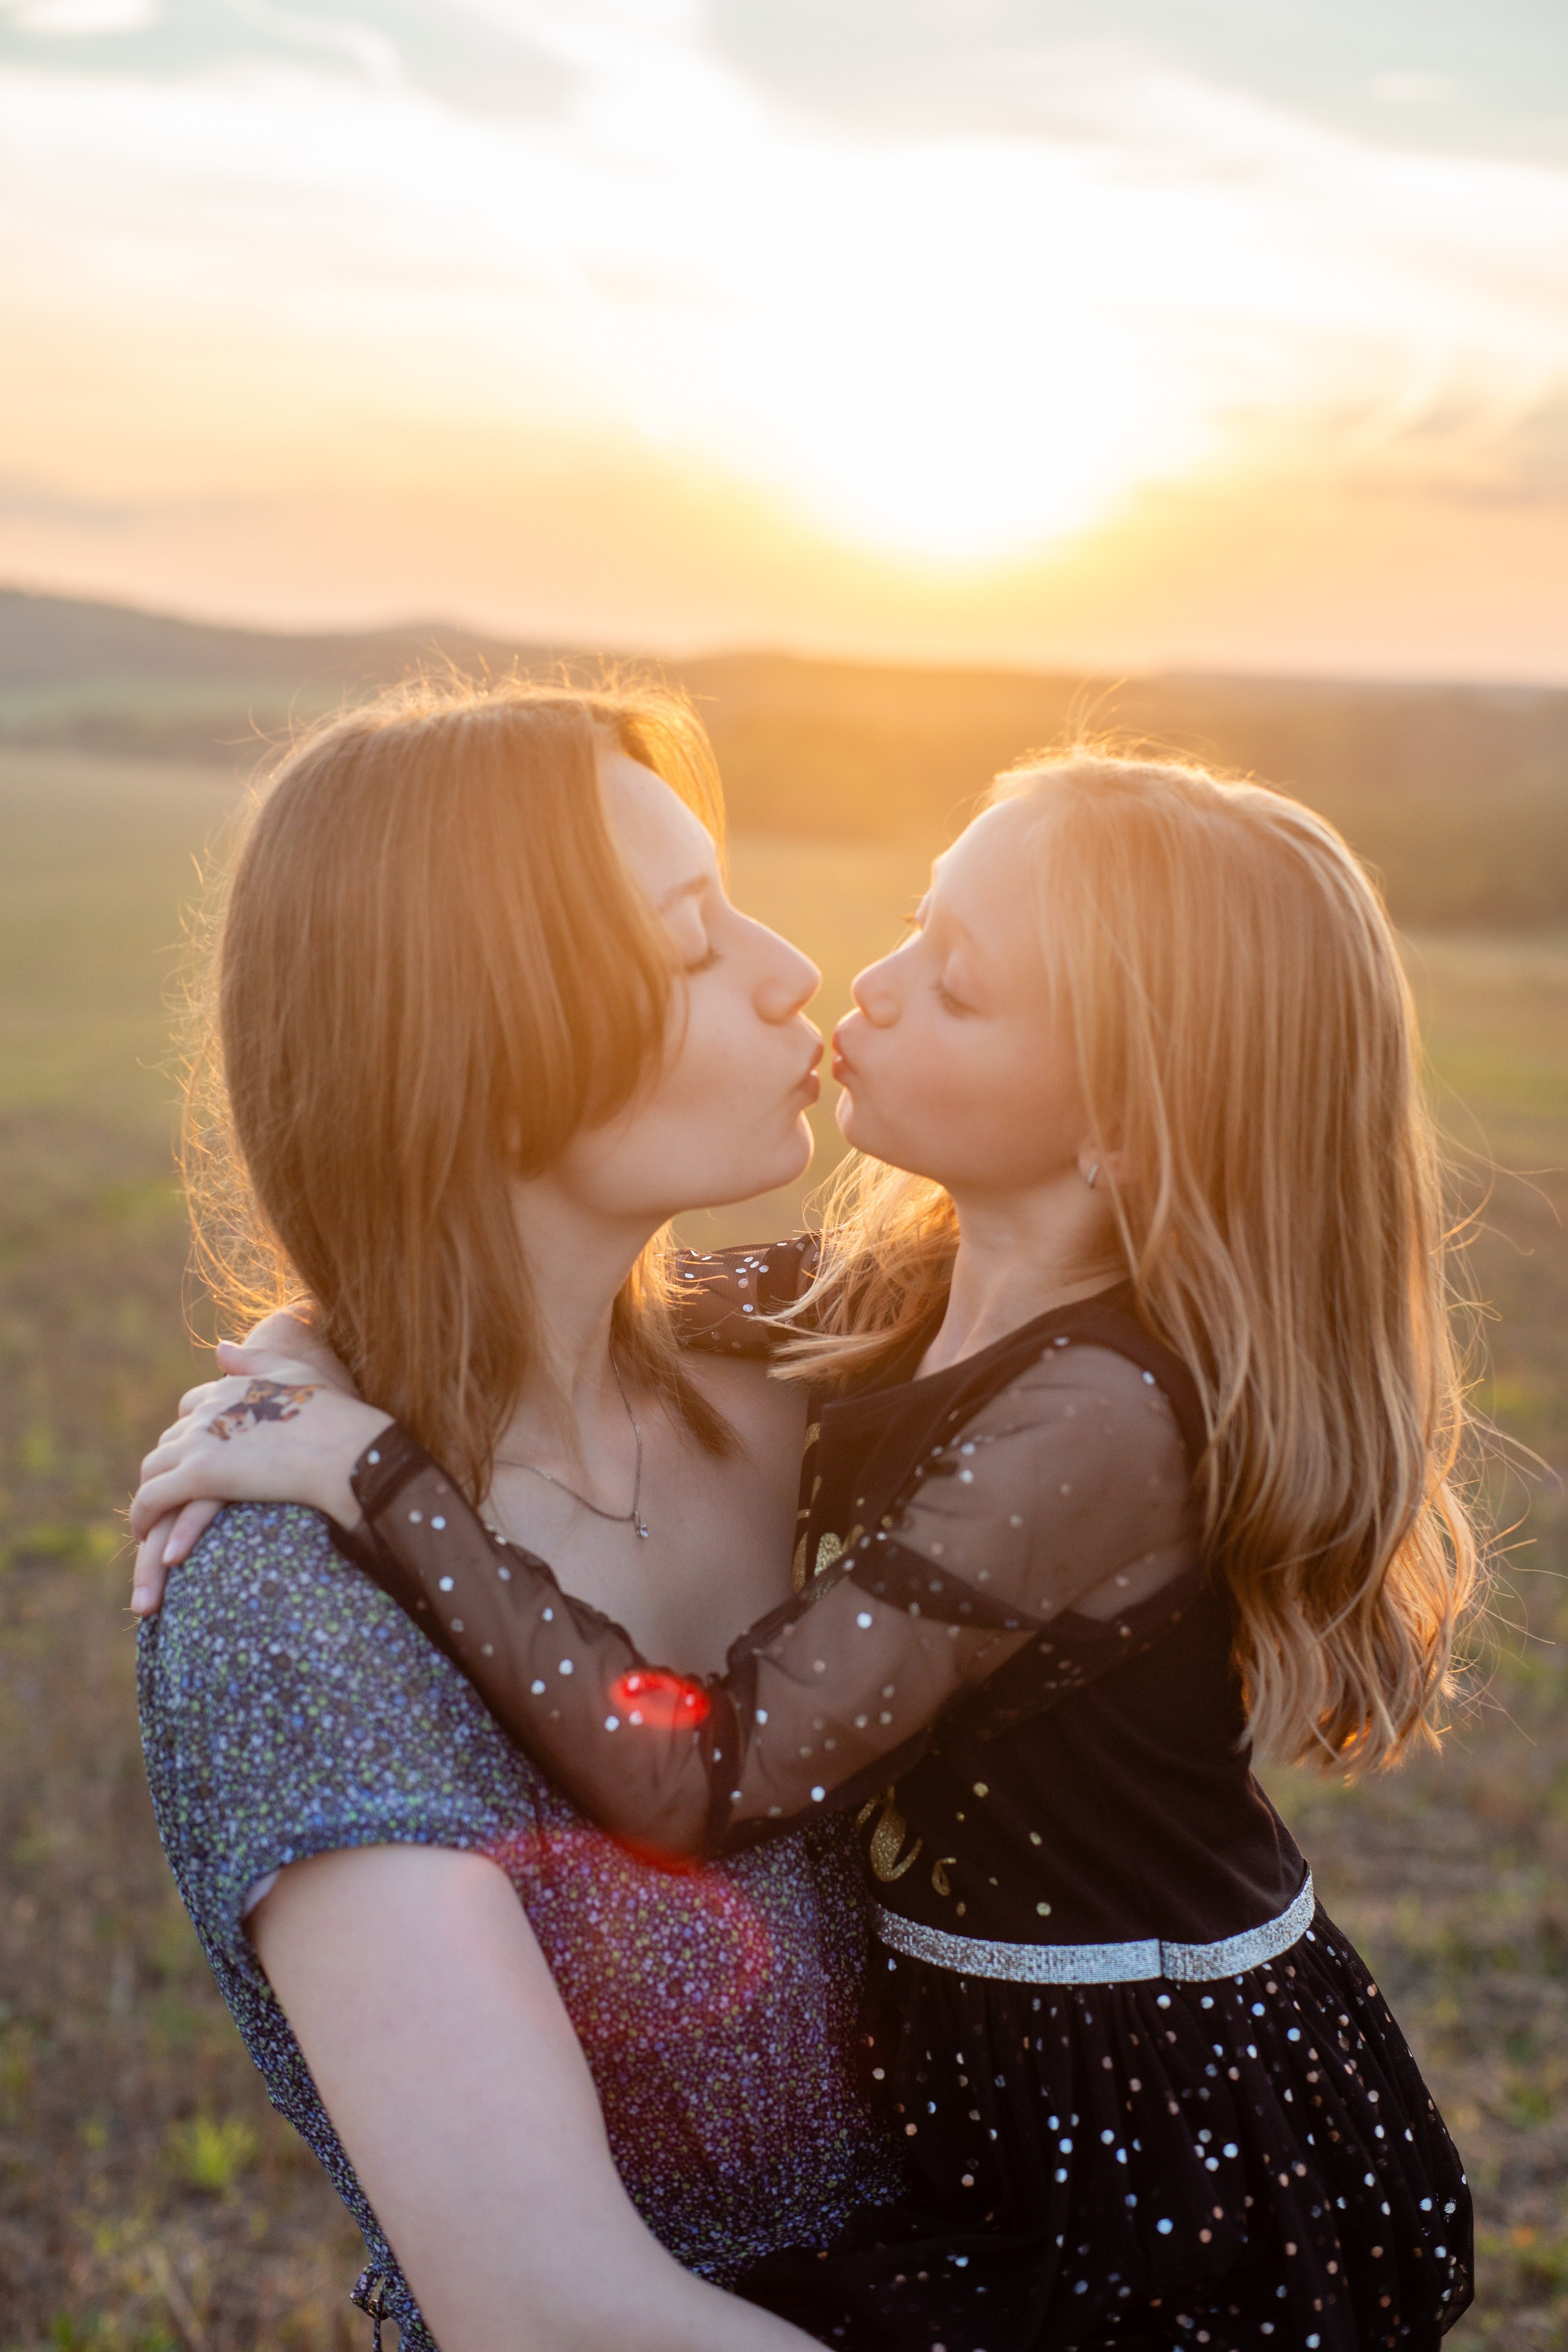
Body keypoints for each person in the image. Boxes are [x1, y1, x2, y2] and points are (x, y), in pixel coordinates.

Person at [139, 750, 1477, 2350]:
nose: (842, 982)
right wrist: (311, 1348)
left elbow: (704, 1779)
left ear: (1129, 1127)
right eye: (911, 925)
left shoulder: (1083, 1425)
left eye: (959, 988)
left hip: (1145, 2139)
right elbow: (534, 1301)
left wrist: (380, 1470)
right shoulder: (895, 1305)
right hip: (991, 2112)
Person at [131, 677, 903, 2352]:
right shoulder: (288, 1609)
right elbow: (553, 2312)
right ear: (476, 1049)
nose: (792, 972)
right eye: (693, 942)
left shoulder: (820, 1375)